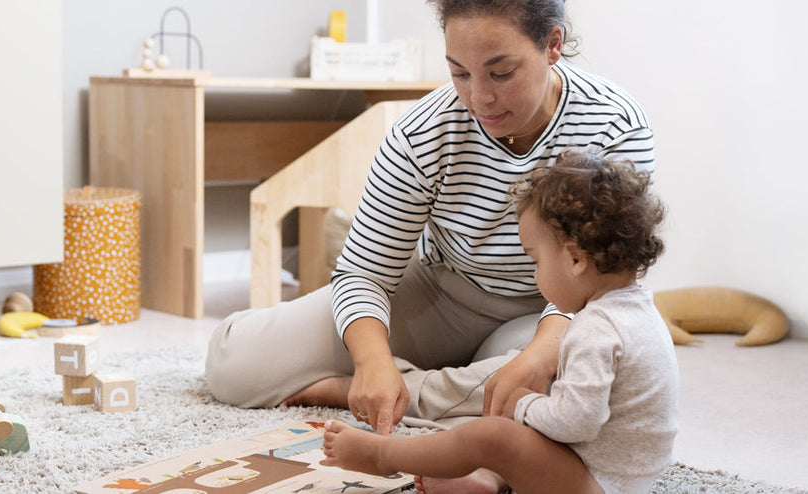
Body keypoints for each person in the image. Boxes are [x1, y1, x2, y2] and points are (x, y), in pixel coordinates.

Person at [205, 0, 656, 436]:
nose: (480, 97)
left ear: (552, 44)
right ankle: (445, 388)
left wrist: (538, 356)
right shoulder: (421, 132)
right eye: (459, 72)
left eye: (502, 72)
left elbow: (602, 274)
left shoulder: (615, 126)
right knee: (235, 366)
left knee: (566, 388)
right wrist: (372, 362)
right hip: (442, 293)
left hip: (555, 309)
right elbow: (365, 273)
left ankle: (364, 390)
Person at [321, 152, 678, 494]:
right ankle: (483, 478)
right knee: (529, 413)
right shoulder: (637, 310)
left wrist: (522, 403)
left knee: (490, 435)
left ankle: (381, 456)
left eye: (535, 261)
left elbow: (576, 423)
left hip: (598, 484)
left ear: (574, 259)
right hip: (623, 476)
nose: (534, 275)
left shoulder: (596, 327)